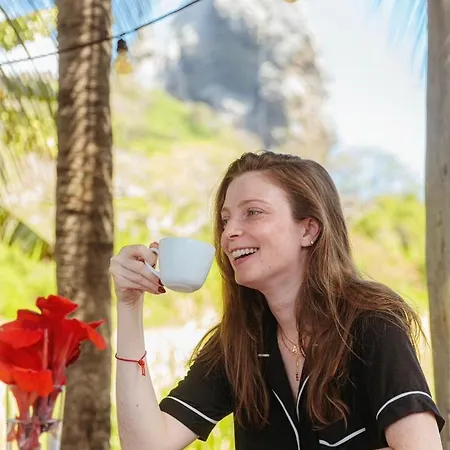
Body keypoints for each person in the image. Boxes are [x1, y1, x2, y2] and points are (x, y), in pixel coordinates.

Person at [110, 151, 445, 450]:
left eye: (253, 212)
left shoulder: (371, 324)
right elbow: (145, 445)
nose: (229, 233)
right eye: (225, 220)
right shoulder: (239, 343)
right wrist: (128, 305)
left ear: (308, 230)